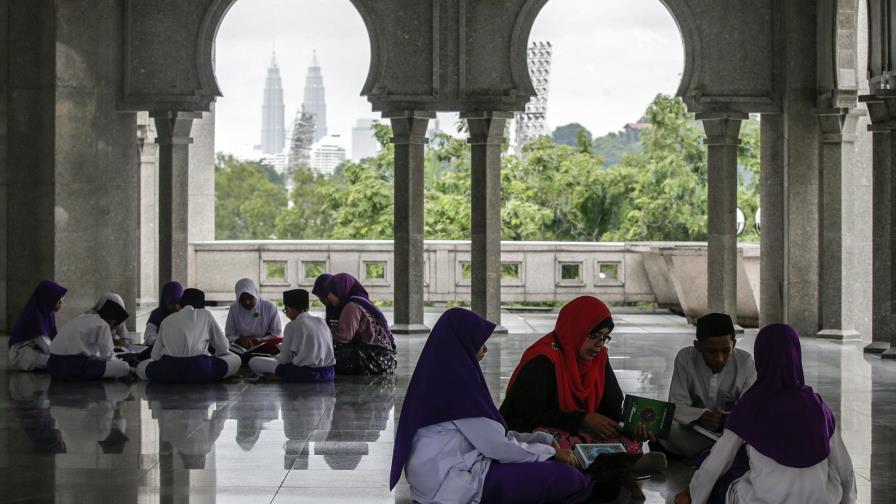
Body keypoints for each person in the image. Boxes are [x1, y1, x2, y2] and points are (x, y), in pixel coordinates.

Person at [391, 308, 593, 504]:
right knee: (566, 477)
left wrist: (542, 440)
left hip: (442, 474)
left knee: (552, 469)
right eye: (481, 343)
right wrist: (551, 453)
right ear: (464, 343)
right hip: (450, 483)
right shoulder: (456, 387)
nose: (485, 349)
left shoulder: (443, 375)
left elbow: (491, 436)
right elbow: (498, 448)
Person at [675, 324, 856, 504]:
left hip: (762, 500)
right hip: (821, 500)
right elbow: (845, 469)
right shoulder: (818, 406)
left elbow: (715, 464)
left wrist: (693, 495)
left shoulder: (750, 406)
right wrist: (848, 501)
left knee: (723, 474)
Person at [500, 296, 651, 454]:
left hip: (579, 431)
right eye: (593, 336)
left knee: (628, 440)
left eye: (604, 338)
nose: (599, 345)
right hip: (537, 430)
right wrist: (583, 419)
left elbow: (611, 406)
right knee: (550, 441)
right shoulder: (544, 359)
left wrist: (630, 427)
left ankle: (596, 461)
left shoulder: (599, 359)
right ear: (575, 330)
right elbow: (526, 415)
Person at [659, 313, 757, 458]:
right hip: (695, 429)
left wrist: (727, 420)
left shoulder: (745, 361)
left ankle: (714, 454)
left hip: (731, 433)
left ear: (734, 344)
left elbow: (750, 409)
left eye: (726, 351)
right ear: (697, 346)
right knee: (665, 428)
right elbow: (677, 405)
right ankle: (725, 455)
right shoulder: (686, 358)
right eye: (711, 351)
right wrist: (700, 416)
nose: (719, 359)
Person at [136, 288, 241, 383]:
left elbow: (155, 356)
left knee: (141, 366)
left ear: (181, 303)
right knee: (235, 359)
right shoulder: (205, 314)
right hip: (201, 370)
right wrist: (214, 357)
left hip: (169, 372)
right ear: (202, 304)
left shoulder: (167, 320)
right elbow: (223, 347)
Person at [248, 289, 336, 382]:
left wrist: (276, 356)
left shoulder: (292, 325)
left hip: (305, 374)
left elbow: (284, 360)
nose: (286, 313)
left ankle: (279, 376)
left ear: (289, 309)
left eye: (285, 310)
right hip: (328, 373)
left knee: (254, 361)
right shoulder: (321, 321)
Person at [326, 273, 396, 375]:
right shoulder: (362, 302)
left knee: (326, 349)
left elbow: (343, 337)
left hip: (374, 360)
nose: (328, 296)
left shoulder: (351, 306)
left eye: (331, 292)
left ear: (339, 291)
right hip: (386, 360)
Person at [46, 299, 132, 380]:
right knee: (123, 367)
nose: (114, 330)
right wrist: (123, 364)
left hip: (52, 365)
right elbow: (108, 357)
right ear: (113, 322)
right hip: (69, 368)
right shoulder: (103, 324)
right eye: (116, 327)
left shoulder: (83, 317)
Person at [8, 280, 68, 371]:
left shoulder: (48, 313)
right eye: (59, 302)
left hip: (34, 350)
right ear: (49, 299)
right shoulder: (34, 316)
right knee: (59, 362)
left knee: (61, 360)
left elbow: (53, 339)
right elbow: (47, 346)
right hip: (21, 356)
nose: (61, 305)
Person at [224, 278, 283, 355]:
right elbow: (229, 335)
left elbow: (276, 334)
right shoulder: (234, 309)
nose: (247, 302)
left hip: (264, 346)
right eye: (242, 299)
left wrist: (256, 341)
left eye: (250, 297)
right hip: (241, 347)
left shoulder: (269, 307)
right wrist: (239, 340)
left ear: (255, 294)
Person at [143, 281, 184, 346]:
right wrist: (163, 343)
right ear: (165, 301)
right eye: (172, 303)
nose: (176, 307)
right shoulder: (157, 314)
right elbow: (149, 336)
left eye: (178, 303)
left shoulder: (184, 314)